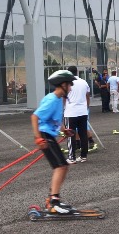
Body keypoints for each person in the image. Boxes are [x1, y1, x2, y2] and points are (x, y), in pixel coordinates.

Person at [31, 70, 76, 213]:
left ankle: (53, 198)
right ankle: (53, 202)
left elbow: (54, 119)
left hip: (49, 134)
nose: (70, 88)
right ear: (63, 84)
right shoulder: (52, 99)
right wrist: (38, 138)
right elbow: (34, 117)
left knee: (63, 166)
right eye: (69, 85)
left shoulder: (58, 99)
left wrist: (63, 129)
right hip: (45, 136)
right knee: (60, 167)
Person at [64, 66, 91, 164]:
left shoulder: (67, 83)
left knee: (70, 134)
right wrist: (86, 107)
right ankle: (83, 156)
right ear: (77, 72)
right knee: (83, 134)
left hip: (71, 112)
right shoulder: (84, 82)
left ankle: (72, 157)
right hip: (83, 111)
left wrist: (62, 109)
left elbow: (63, 97)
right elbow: (87, 96)